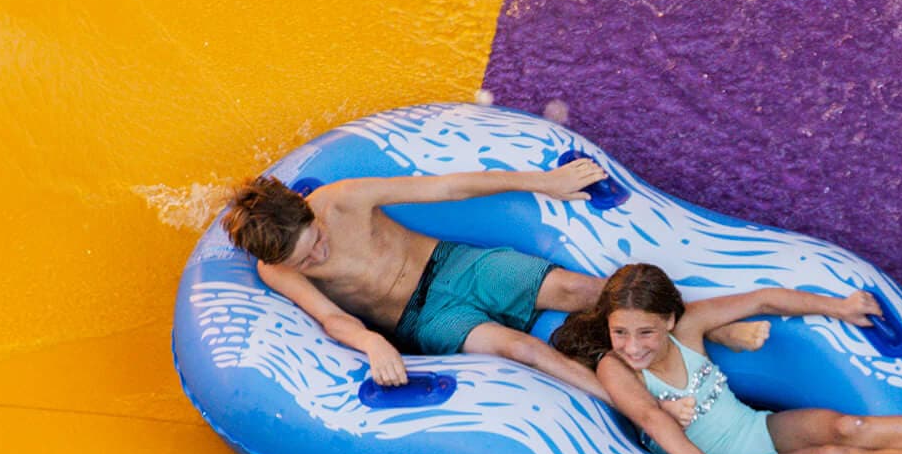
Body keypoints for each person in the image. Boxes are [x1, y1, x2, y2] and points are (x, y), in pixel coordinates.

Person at [552, 263, 902, 454]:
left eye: (645, 332)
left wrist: (840, 308)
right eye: (621, 332)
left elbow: (765, 300)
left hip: (758, 427)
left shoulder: (691, 325)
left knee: (849, 428)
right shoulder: (616, 367)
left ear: (670, 320)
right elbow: (652, 417)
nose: (633, 346)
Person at [221, 163, 616, 395]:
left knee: (577, 289)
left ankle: (677, 315)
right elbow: (330, 317)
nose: (319, 255)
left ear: (307, 211)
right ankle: (629, 407)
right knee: (520, 350)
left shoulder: (341, 199)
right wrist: (371, 342)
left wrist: (542, 181)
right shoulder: (275, 269)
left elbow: (448, 187)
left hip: (452, 263)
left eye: (318, 239)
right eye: (305, 261)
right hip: (422, 318)